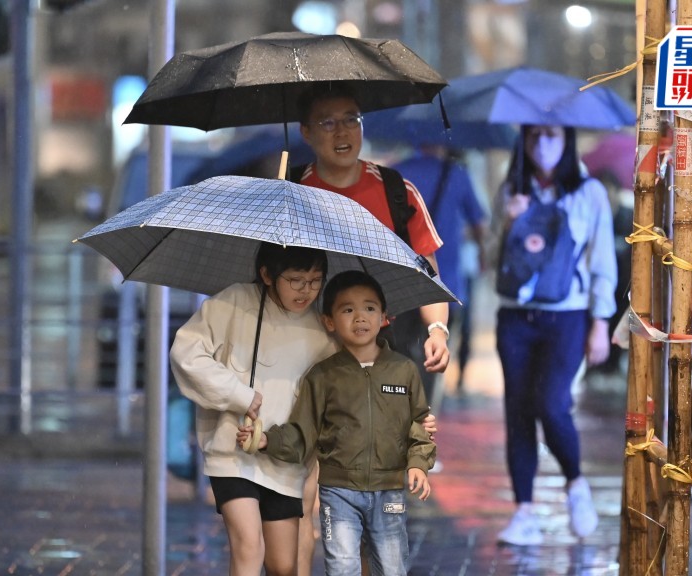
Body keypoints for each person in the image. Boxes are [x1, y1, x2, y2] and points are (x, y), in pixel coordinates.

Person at [170, 243, 437, 576]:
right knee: (249, 546)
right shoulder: (233, 302)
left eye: (315, 280)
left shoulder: (322, 329)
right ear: (267, 274)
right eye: (295, 280)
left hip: (286, 462)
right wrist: (237, 394)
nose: (306, 290)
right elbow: (186, 354)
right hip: (232, 453)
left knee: (283, 565)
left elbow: (358, 382)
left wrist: (408, 418)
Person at [239, 270, 434, 576]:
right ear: (329, 321)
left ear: (384, 316)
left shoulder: (403, 371)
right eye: (347, 310)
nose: (360, 317)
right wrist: (267, 439)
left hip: (389, 490)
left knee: (392, 567)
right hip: (338, 492)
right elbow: (303, 431)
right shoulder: (323, 375)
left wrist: (419, 464)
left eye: (369, 308)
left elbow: (419, 424)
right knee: (342, 566)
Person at [493, 124, 617, 545]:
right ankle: (524, 510)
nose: (542, 145)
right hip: (515, 318)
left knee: (552, 403)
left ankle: (575, 482)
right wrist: (510, 221)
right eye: (533, 137)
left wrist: (601, 323)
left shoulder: (589, 192)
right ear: (522, 142)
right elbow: (493, 254)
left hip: (567, 317)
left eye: (552, 136)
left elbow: (603, 262)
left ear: (567, 141)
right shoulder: (512, 189)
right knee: (518, 412)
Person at [293, 83, 452, 377]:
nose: (341, 131)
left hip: (379, 348)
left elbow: (428, 277)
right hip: (304, 346)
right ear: (306, 132)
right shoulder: (289, 192)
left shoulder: (397, 193)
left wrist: (438, 330)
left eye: (351, 119)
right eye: (327, 122)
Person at [392, 146, 487, 397]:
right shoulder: (457, 174)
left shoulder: (398, 172)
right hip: (445, 281)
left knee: (399, 353)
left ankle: (401, 407)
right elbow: (479, 224)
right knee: (433, 352)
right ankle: (424, 414)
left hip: (400, 281)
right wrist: (484, 255)